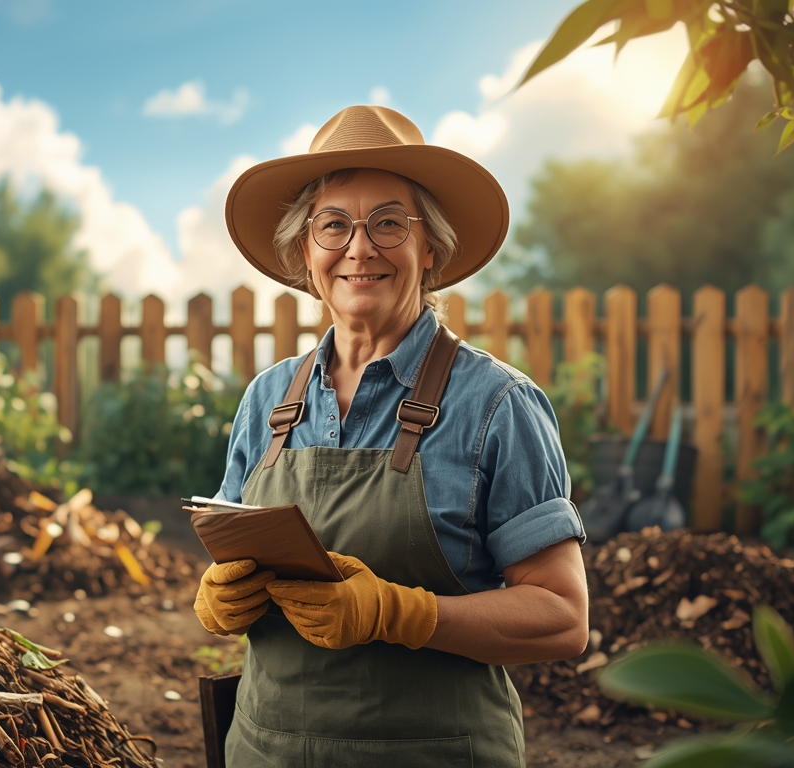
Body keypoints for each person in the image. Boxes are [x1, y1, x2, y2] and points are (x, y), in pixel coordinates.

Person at [193, 105, 589, 767]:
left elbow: (562, 617)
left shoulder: (499, 404)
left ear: (429, 247)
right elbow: (233, 555)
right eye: (333, 225)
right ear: (304, 252)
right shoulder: (267, 399)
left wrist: (397, 613)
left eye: (388, 223)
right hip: (265, 750)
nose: (359, 246)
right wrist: (220, 594)